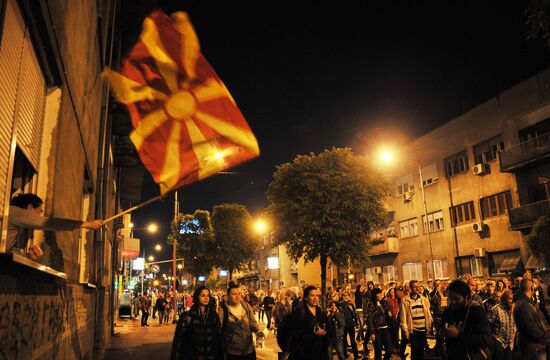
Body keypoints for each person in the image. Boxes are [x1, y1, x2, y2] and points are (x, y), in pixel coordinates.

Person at [7, 193, 103, 256]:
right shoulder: (16, 213)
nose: (41, 215)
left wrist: (27, 255)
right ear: (30, 207)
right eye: (40, 211)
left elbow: (7, 250)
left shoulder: (15, 220)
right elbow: (50, 223)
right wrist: (85, 224)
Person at [441, 279, 492, 360]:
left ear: (466, 297)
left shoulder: (476, 312)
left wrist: (459, 334)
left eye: (457, 298)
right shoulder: (448, 312)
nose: (453, 302)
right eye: (451, 298)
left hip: (473, 356)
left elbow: (485, 340)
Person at [171, 286, 223, 360]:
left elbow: (219, 339)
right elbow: (178, 341)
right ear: (197, 297)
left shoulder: (214, 316)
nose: (206, 298)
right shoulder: (187, 316)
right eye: (203, 295)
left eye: (208, 296)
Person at [282, 285, 327, 360]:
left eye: (317, 295)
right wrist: (287, 351)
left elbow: (327, 328)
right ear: (306, 297)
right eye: (312, 295)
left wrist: (323, 332)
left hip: (317, 352)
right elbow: (287, 330)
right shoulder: (298, 312)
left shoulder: (320, 311)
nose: (315, 298)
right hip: (301, 352)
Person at [218, 283, 261, 360]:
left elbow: (252, 322)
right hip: (232, 351)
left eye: (239, 294)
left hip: (249, 349)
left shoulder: (246, 306)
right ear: (228, 296)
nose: (237, 296)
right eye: (234, 294)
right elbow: (219, 329)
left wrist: (258, 331)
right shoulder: (223, 310)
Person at [513, 278, 549, 360]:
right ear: (532, 288)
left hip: (532, 346)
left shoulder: (522, 303)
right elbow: (531, 328)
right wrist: (546, 338)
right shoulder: (524, 305)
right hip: (533, 348)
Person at [400, 280, 432, 360]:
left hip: (423, 329)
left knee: (421, 350)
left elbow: (428, 313)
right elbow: (403, 317)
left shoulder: (423, 299)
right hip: (413, 329)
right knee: (415, 349)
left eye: (418, 286)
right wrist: (406, 330)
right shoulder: (405, 300)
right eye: (414, 286)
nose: (417, 288)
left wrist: (430, 324)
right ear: (410, 288)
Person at [489, 289, 517, 360]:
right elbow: (488, 324)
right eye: (510, 299)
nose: (512, 301)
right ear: (504, 299)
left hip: (510, 342)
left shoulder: (515, 308)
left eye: (512, 299)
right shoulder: (496, 309)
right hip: (498, 341)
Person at [367, 288, 393, 360]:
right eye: (379, 293)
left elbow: (387, 313)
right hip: (377, 330)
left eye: (381, 293)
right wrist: (372, 332)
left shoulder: (384, 302)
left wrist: (389, 315)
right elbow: (369, 319)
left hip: (385, 329)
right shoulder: (371, 304)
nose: (381, 295)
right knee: (378, 352)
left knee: (389, 350)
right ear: (375, 295)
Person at [340, 292, 361, 359]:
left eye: (347, 295)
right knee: (344, 340)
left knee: (352, 340)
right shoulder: (340, 304)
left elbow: (354, 315)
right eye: (344, 295)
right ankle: (345, 354)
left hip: (350, 323)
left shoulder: (351, 304)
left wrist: (356, 323)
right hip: (344, 324)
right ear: (343, 297)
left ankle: (355, 355)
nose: (346, 297)